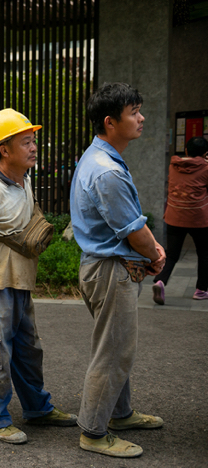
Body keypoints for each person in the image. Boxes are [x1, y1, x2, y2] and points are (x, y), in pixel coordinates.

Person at [0, 109, 78, 445]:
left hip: (20, 282)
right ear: (4, 150)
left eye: (33, 140)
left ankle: (38, 409)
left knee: (28, 351)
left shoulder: (23, 180)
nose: (34, 147)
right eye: (26, 142)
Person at [70, 82, 166, 458]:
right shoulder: (106, 170)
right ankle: (93, 431)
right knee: (113, 351)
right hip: (110, 270)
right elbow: (133, 230)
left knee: (116, 346)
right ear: (111, 122)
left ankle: (120, 413)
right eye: (134, 113)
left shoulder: (98, 157)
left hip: (105, 266)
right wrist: (156, 254)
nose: (141, 118)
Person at [152, 136, 208, 304]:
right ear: (205, 153)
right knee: (205, 254)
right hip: (199, 219)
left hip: (174, 216)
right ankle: (201, 290)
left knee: (172, 254)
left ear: (185, 151)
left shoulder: (173, 165)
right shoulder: (206, 168)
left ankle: (160, 281)